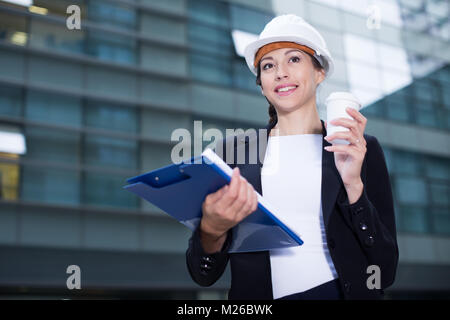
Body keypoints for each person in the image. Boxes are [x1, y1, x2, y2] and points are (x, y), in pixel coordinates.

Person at [186, 14, 398, 300]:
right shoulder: (230, 154)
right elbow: (203, 273)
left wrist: (354, 188)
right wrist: (211, 229)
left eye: (294, 59)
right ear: (261, 83)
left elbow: (384, 269)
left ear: (319, 72)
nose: (281, 72)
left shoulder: (357, 148)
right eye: (268, 65)